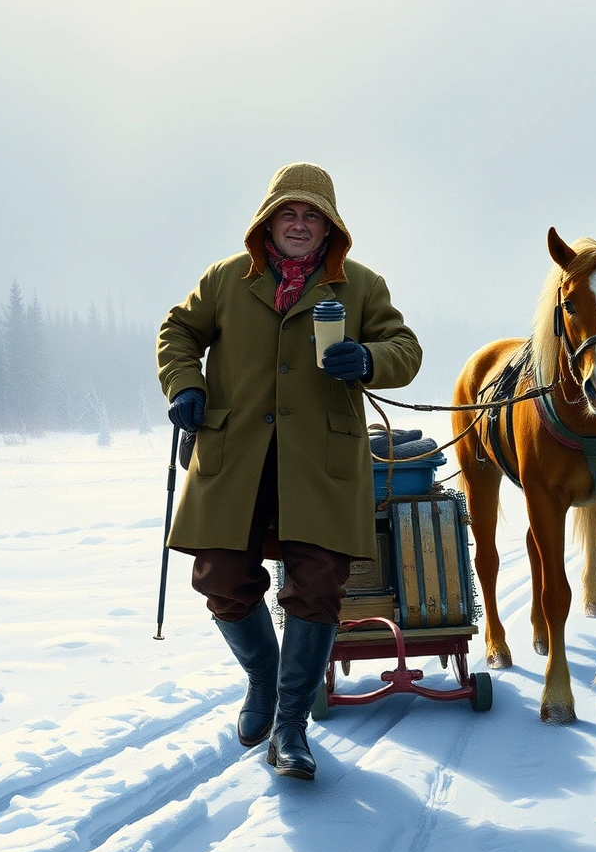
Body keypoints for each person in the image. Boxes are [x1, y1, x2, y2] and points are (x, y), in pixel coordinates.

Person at [158, 162, 421, 781]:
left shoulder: (359, 285)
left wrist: (369, 359)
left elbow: (404, 350)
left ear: (330, 227)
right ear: (268, 223)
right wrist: (185, 385)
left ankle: (292, 727)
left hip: (320, 463)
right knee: (219, 575)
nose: (300, 225)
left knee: (318, 585)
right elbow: (178, 331)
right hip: (235, 457)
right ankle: (266, 680)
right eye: (289, 213)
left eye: (312, 215)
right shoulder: (226, 280)